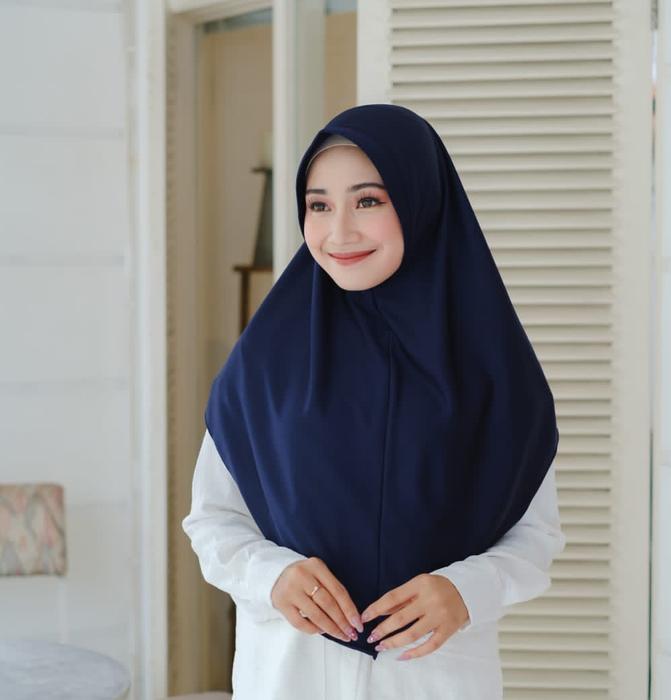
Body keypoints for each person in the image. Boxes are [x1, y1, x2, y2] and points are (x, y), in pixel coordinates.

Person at [182, 103, 566, 699]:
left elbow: (535, 536)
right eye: (319, 205)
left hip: (436, 680)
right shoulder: (265, 365)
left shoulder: (493, 371)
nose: (339, 232)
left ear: (420, 202)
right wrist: (272, 576)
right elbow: (213, 520)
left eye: (368, 201)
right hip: (290, 677)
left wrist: (466, 590)